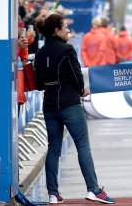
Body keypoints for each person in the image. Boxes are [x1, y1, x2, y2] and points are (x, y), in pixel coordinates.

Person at [34, 13, 116, 204]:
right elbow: (76, 74)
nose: (68, 30)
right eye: (65, 27)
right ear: (57, 30)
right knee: (82, 145)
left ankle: (53, 194)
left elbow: (39, 85)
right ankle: (93, 189)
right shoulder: (67, 49)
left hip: (50, 106)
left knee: (53, 148)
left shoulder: (40, 54)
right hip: (69, 104)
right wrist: (82, 90)